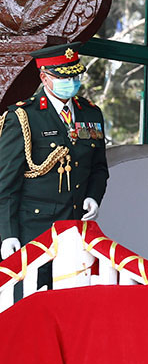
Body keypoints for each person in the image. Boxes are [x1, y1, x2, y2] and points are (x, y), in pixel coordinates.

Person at [0, 43, 109, 264]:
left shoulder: (91, 113)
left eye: (75, 75)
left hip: (76, 226)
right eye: (64, 78)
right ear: (44, 77)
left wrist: (93, 196)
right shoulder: (23, 116)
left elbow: (98, 167)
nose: (72, 82)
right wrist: (7, 233)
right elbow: (6, 183)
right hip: (34, 229)